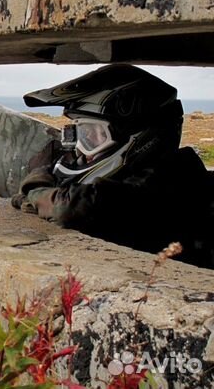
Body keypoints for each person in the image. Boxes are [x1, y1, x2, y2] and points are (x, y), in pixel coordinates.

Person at [12, 64, 214, 269]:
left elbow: (74, 207)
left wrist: (34, 190)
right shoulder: (165, 171)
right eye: (82, 133)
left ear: (138, 139)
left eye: (96, 134)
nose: (83, 149)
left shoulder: (166, 182)